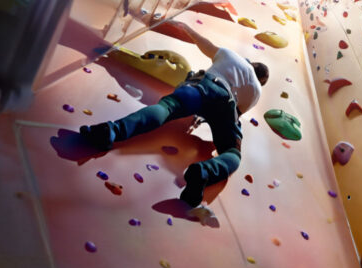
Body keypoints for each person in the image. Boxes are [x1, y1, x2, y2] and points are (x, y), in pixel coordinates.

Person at [80, 19, 269, 211]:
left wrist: (187, 29)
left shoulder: (232, 57)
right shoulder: (257, 91)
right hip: (227, 103)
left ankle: (112, 131)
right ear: (261, 81)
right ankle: (204, 171)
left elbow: (205, 45)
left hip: (202, 87)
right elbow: (237, 114)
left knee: (167, 108)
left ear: (250, 63)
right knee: (232, 153)